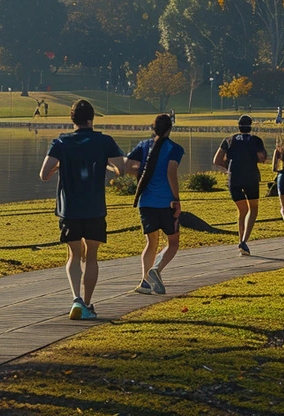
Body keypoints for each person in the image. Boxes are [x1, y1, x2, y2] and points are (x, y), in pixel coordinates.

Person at [39, 99, 123, 320]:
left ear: (72, 119)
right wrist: (106, 164)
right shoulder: (105, 141)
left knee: (74, 255)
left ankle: (76, 299)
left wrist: (61, 165)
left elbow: (44, 174)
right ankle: (87, 303)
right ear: (92, 119)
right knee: (92, 256)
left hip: (69, 210)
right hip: (95, 208)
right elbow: (120, 168)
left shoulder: (61, 142)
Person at [125, 114, 183, 295]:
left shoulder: (143, 146)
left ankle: (144, 283)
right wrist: (176, 199)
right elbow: (171, 172)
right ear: (170, 128)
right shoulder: (174, 148)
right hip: (167, 203)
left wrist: (142, 172)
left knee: (151, 243)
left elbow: (127, 165)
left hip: (146, 203)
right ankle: (156, 269)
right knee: (173, 243)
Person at [212, 115, 267, 256]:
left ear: (238, 125)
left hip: (234, 177)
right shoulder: (256, 140)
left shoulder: (228, 140)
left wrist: (228, 166)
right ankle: (244, 241)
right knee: (253, 209)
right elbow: (262, 158)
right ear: (251, 126)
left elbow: (217, 160)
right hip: (251, 176)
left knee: (242, 210)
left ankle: (240, 240)